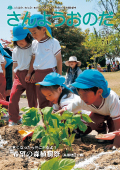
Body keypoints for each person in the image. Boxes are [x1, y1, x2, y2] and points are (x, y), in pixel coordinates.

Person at [63, 69, 120, 148]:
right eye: (80, 94)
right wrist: (49, 119)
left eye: (85, 94)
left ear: (99, 92)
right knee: (89, 123)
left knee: (114, 136)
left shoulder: (112, 99)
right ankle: (102, 129)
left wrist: (116, 144)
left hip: (115, 116)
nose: (82, 98)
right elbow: (64, 111)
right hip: (99, 115)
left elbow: (118, 126)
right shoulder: (82, 101)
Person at [25, 14, 62, 109]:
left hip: (50, 73)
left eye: (35, 32)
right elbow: (34, 59)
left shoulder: (53, 42)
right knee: (41, 99)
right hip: (38, 74)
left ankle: (55, 122)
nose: (33, 36)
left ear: (44, 29)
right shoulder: (34, 43)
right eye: (31, 33)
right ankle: (45, 122)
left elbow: (58, 59)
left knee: (52, 100)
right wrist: (30, 73)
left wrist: (59, 75)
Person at [36, 72, 90, 138]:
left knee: (62, 116)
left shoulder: (66, 99)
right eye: (45, 96)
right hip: (80, 123)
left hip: (87, 124)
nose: (48, 98)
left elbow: (63, 113)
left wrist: (45, 126)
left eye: (49, 95)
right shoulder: (57, 100)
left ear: (59, 89)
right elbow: (53, 113)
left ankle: (73, 132)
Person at [8, 23, 37, 126]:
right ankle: (14, 119)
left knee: (32, 100)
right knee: (13, 97)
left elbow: (35, 62)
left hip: (30, 75)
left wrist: (32, 74)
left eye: (22, 38)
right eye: (17, 39)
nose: (19, 41)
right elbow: (14, 66)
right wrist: (14, 80)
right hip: (18, 76)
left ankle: (32, 121)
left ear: (28, 36)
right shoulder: (15, 50)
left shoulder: (33, 47)